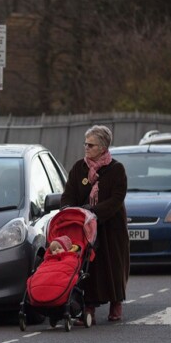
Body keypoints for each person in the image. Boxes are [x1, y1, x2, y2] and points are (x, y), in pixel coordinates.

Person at [61, 125, 129, 324]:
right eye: (85, 144)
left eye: (91, 145)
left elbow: (117, 199)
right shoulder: (78, 168)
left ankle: (116, 302)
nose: (86, 148)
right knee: (88, 267)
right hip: (84, 227)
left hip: (111, 227)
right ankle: (88, 308)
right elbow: (68, 195)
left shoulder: (116, 169)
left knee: (113, 266)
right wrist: (69, 210)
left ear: (103, 147)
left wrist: (93, 212)